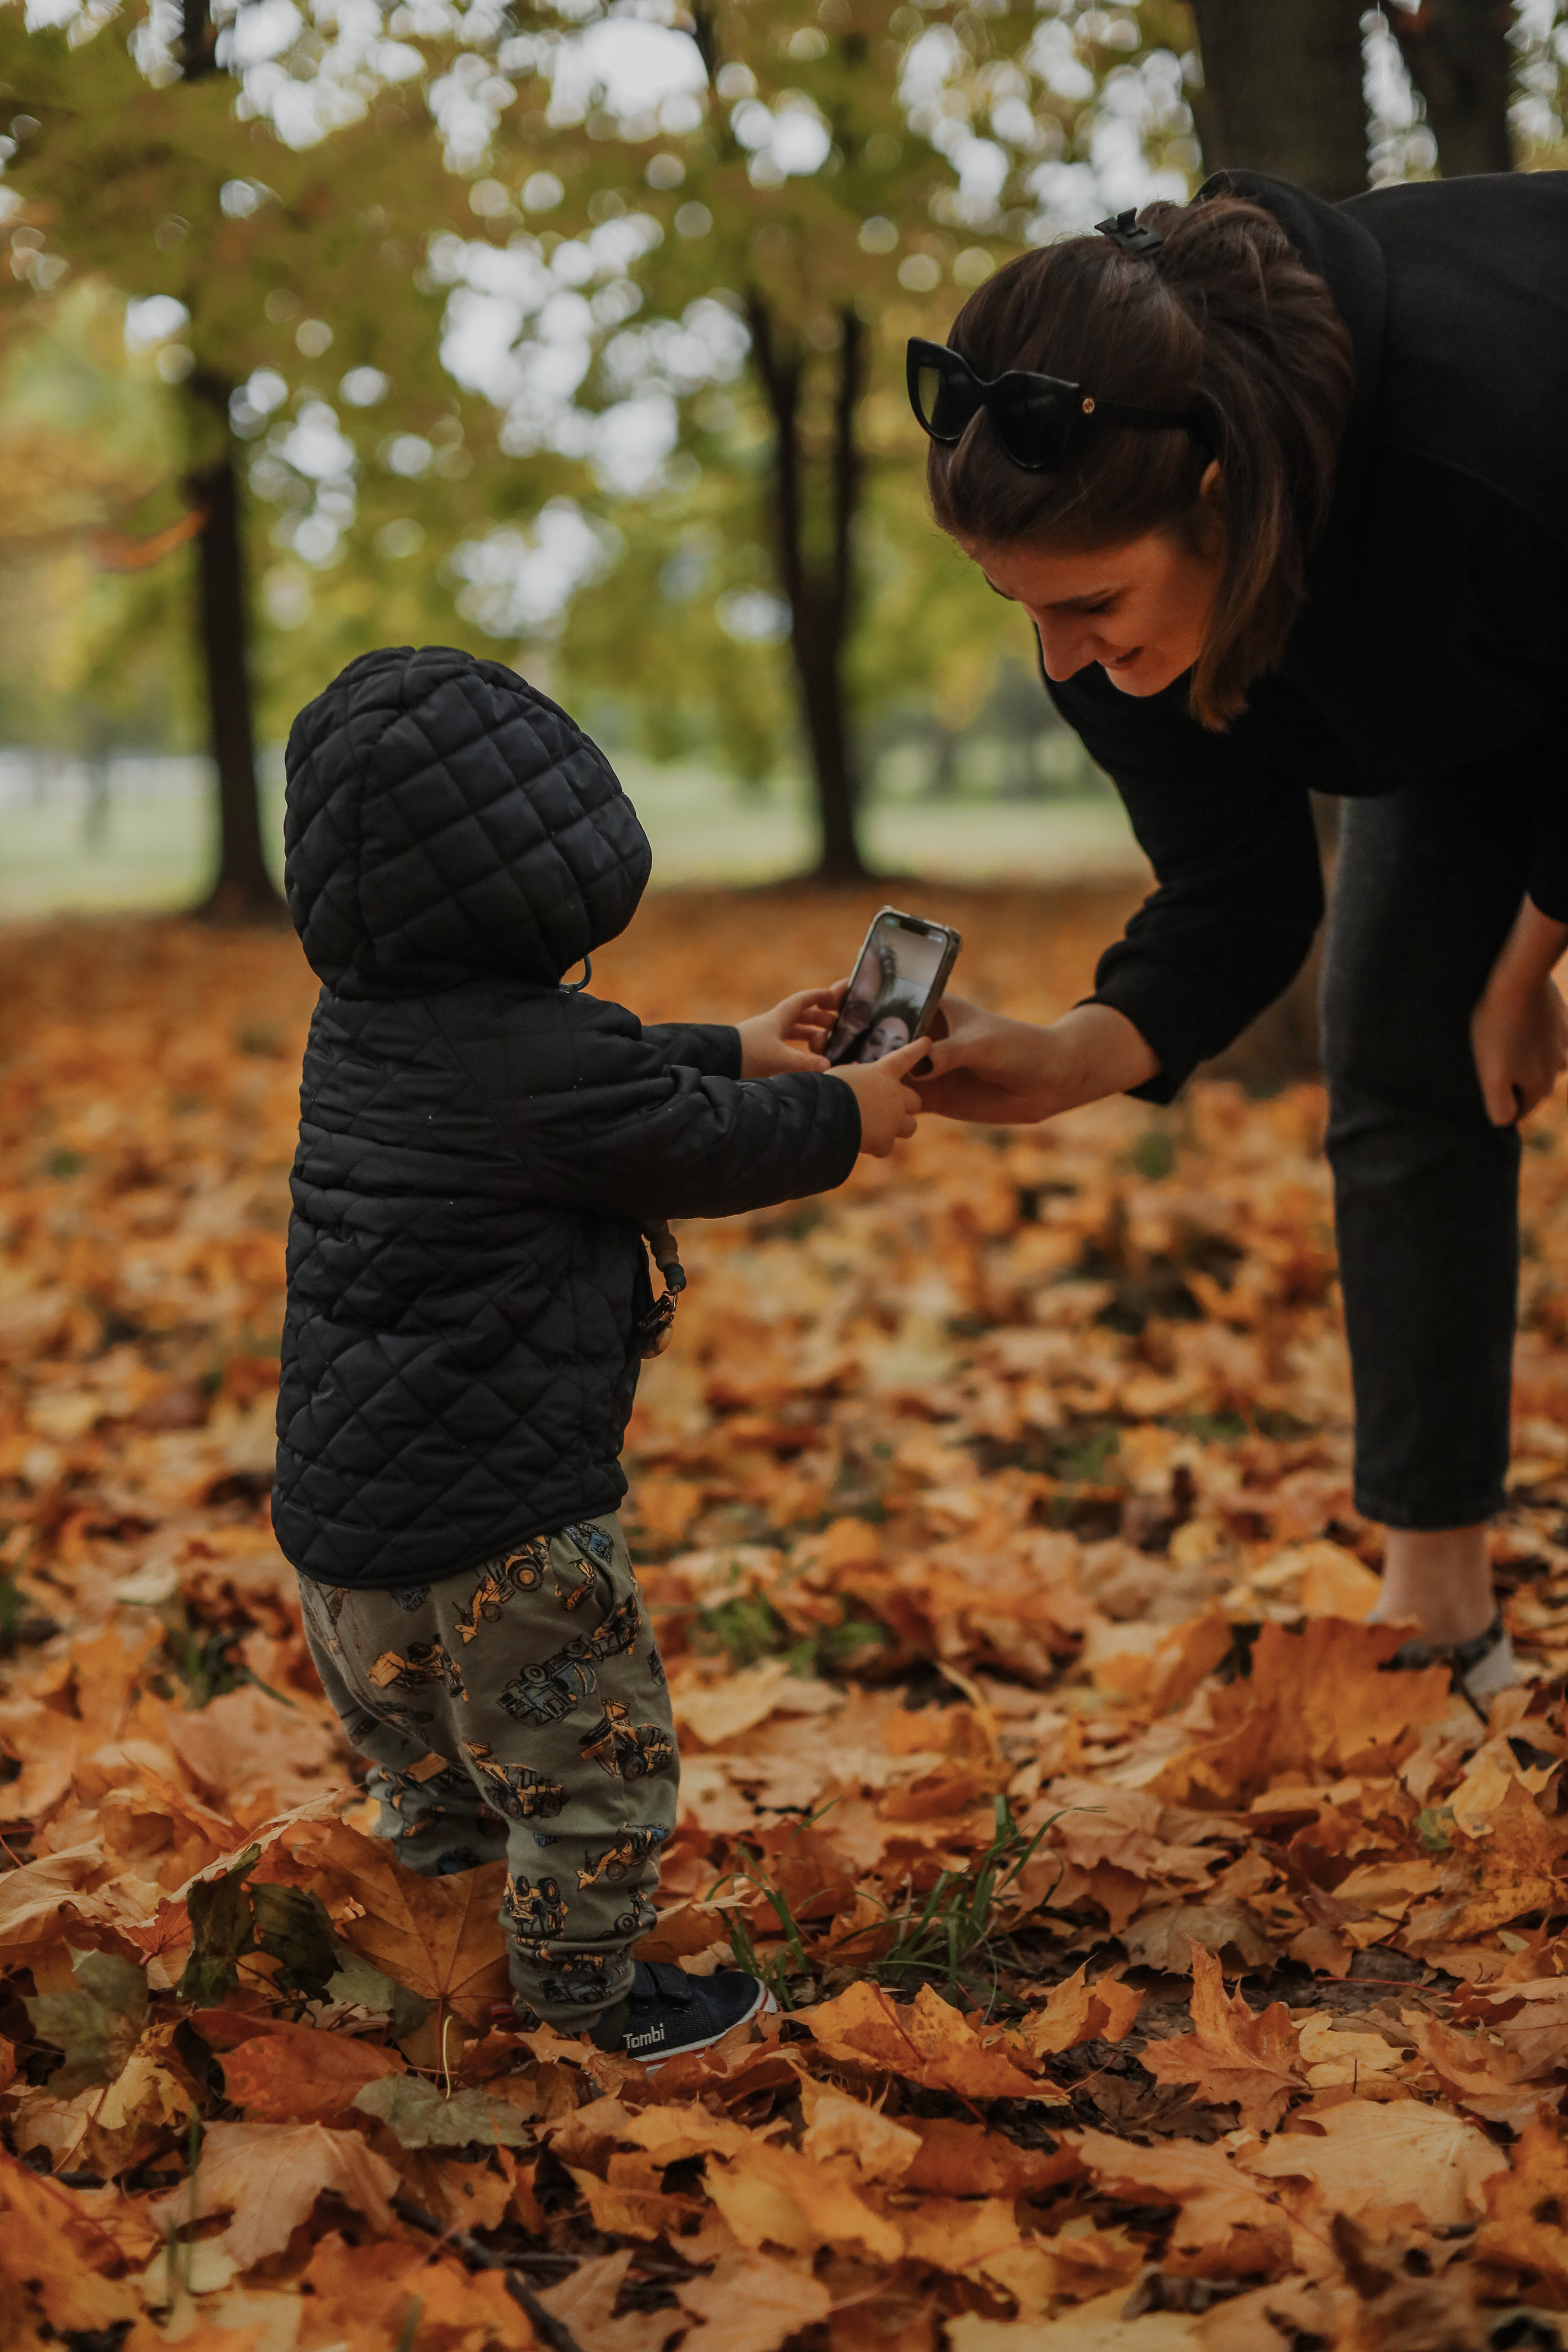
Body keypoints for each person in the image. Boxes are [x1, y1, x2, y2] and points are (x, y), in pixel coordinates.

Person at [909, 170, 1568, 1712]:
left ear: (1220, 497)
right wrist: (1067, 1058)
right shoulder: (1096, 612)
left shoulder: (1486, 424)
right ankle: (1434, 1612)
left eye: (1090, 605)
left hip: (1524, 551)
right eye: (1020, 608)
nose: (1065, 658)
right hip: (1470, 674)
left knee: (1468, 1002)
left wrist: (1527, 958)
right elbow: (1234, 887)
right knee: (1400, 1051)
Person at [273, 644, 925, 2062]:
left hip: (342, 1543)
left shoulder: (368, 1025)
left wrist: (737, 1045)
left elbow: (581, 1073)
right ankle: (589, 2018)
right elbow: (669, 1136)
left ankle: (448, 1970)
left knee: (435, 1782)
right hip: (504, 1534)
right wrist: (841, 1116)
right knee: (589, 1777)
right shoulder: (534, 1066)